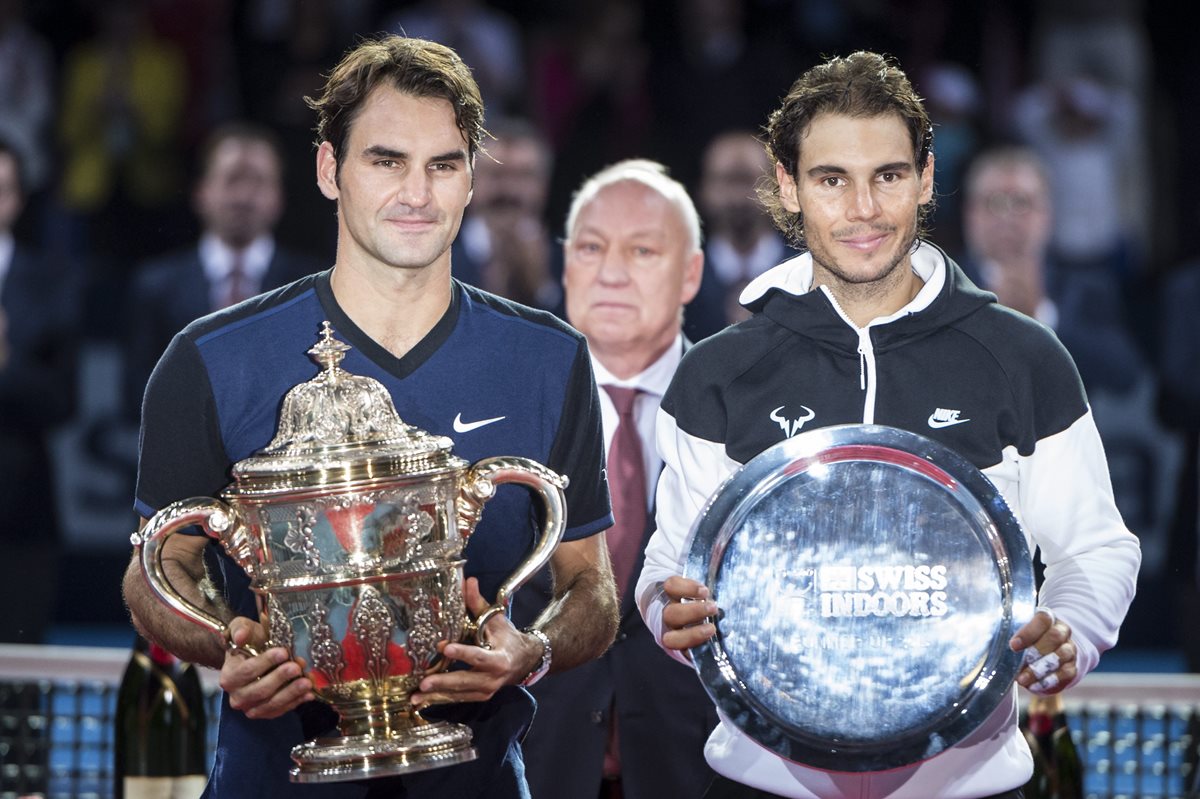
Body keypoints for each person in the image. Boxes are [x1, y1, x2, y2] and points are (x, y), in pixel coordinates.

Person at [121, 34, 619, 798]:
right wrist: (229, 641)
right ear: (330, 170)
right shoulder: (212, 358)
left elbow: (592, 588)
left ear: (470, 180)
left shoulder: (549, 358)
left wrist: (533, 648)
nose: (417, 193)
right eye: (387, 161)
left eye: (443, 165)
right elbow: (156, 570)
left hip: (476, 780)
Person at [636, 51, 1140, 799]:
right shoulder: (717, 371)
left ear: (927, 178)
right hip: (762, 782)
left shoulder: (1024, 355)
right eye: (832, 179)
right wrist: (663, 612)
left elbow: (1095, 546)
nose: (863, 209)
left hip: (971, 781)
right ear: (788, 185)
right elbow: (667, 566)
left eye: (889, 176)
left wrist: (1069, 631)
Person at [511, 159, 717, 798]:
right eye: (593, 248)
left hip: (698, 764)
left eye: (643, 249)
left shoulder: (746, 414)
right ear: (566, 263)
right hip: (537, 761)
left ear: (691, 273)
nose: (612, 272)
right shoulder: (504, 406)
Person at [124, 122, 323, 419]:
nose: (243, 197)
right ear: (201, 192)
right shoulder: (156, 285)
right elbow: (135, 393)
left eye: (257, 181)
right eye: (231, 180)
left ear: (278, 197)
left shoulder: (312, 287)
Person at [0, 138, 80, 643]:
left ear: (16, 198)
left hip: (19, 516)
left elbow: (62, 400)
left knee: (20, 677)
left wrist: (6, 363)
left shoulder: (51, 281)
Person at [686, 130, 793, 341]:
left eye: (748, 180)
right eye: (726, 181)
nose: (738, 196)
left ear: (777, 188)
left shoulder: (813, 275)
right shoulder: (679, 279)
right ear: (703, 190)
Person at [450, 117, 560, 310]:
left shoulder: (574, 263)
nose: (509, 190)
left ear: (544, 186)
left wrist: (542, 288)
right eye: (495, 174)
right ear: (470, 181)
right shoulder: (434, 259)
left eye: (523, 176)